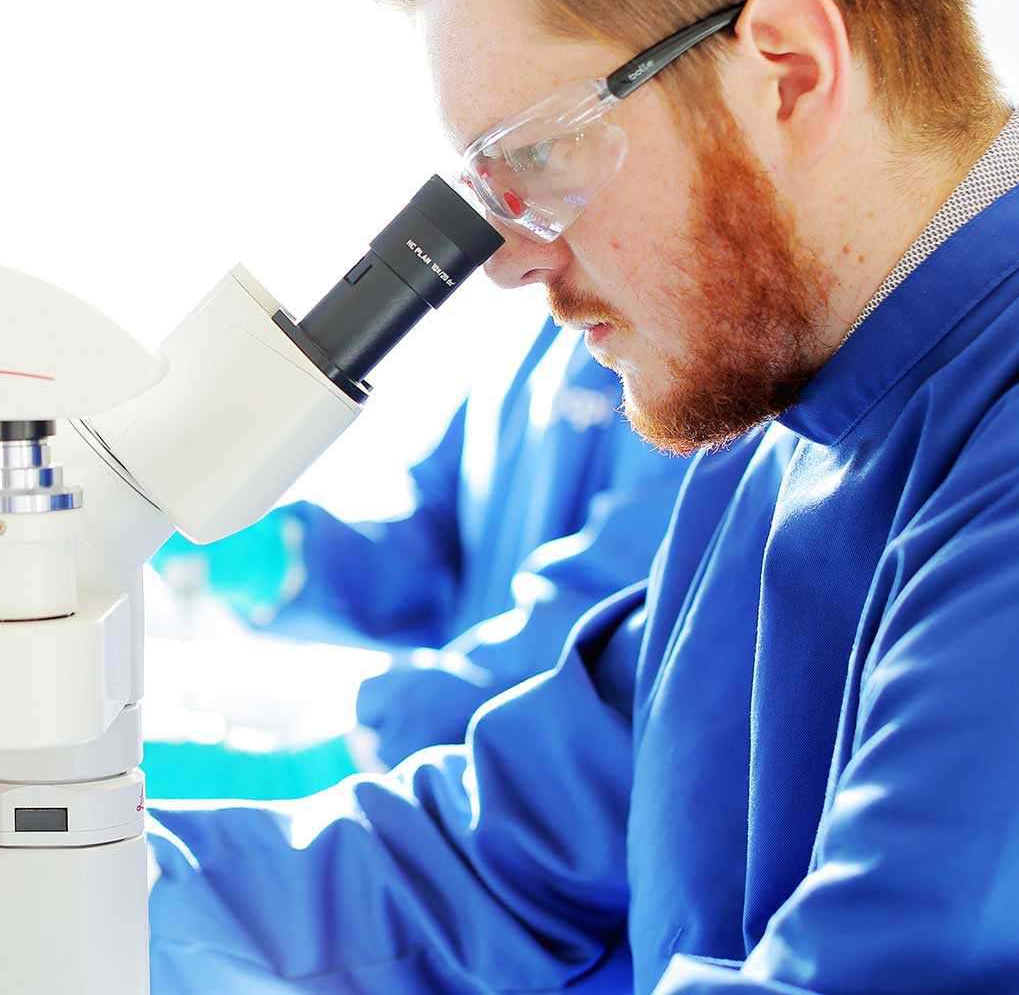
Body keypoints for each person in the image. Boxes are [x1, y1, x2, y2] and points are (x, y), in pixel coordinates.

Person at [147, 0, 1019, 992]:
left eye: (536, 157)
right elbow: (497, 861)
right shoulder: (784, 420)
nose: (505, 263)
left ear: (787, 72)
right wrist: (88, 883)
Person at [153, 319, 686, 766]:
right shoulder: (529, 331)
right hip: (480, 769)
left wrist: (376, 747)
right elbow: (443, 548)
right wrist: (284, 559)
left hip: (563, 784)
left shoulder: (674, 343)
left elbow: (615, 611)